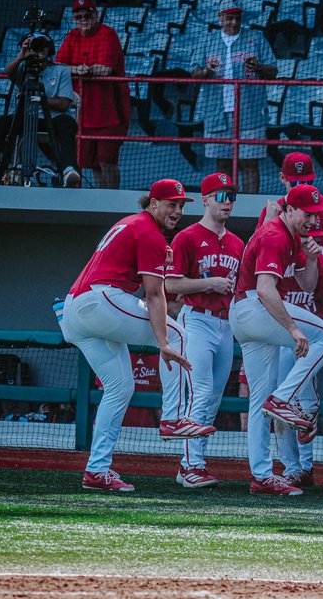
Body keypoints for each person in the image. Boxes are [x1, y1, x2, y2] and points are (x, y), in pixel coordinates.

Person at [60, 180, 213, 493]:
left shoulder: (132, 224)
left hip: (77, 310)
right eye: (172, 204)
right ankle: (173, 418)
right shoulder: (148, 232)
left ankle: (97, 469)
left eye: (182, 205)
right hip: (101, 301)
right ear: (152, 203)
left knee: (119, 388)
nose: (179, 210)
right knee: (177, 334)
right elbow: (156, 295)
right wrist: (163, 343)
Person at [231, 184, 323, 494]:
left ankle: (262, 475)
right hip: (254, 306)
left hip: (246, 313)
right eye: (307, 214)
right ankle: (284, 398)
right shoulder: (276, 234)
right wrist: (292, 329)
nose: (313, 221)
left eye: (316, 216)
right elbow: (265, 289)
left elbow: (306, 282)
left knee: (258, 399)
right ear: (289, 210)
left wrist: (313, 259)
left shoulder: (294, 238)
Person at [165, 172, 244, 489]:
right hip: (196, 318)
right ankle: (190, 466)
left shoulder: (237, 242)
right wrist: (210, 283)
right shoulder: (187, 236)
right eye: (221, 196)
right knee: (199, 393)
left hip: (225, 324)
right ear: (206, 199)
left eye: (232, 196)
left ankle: (194, 463)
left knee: (211, 398)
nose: (228, 202)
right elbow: (171, 284)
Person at [0, 32, 80, 187]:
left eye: (41, 45)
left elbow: (64, 104)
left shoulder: (61, 70)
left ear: (49, 49)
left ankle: (68, 169)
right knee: (2, 121)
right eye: (34, 45)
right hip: (27, 117)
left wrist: (41, 100)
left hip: (52, 120)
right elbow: (8, 73)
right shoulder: (25, 69)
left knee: (68, 122)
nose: (38, 49)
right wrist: (21, 56)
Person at [192, 0, 277, 195]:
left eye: (237, 18)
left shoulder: (256, 37)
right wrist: (206, 70)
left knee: (249, 163)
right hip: (217, 112)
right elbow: (194, 73)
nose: (233, 22)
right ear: (220, 17)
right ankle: (224, 206)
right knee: (222, 164)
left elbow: (273, 70)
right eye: (229, 18)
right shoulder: (207, 40)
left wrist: (258, 67)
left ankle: (251, 210)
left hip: (250, 111)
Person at [57, 0, 130, 190]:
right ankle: (101, 197)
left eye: (87, 14)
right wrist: (79, 69)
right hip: (83, 111)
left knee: (107, 160)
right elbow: (59, 65)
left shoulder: (108, 34)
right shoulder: (72, 36)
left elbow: (105, 69)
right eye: (78, 15)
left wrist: (83, 70)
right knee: (92, 163)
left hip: (110, 111)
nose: (83, 19)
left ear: (96, 15)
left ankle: (112, 200)